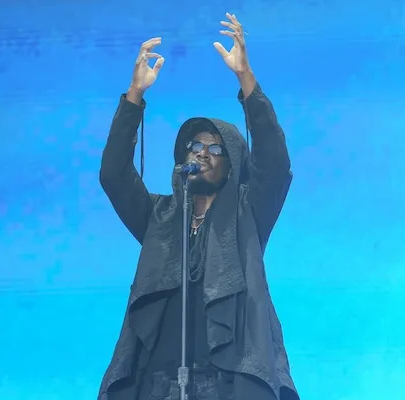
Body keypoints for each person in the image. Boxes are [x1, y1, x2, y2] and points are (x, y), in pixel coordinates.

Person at [98, 13, 300, 400]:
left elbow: (275, 164)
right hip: (157, 383)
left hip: (228, 383)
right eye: (194, 146)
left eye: (215, 149)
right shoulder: (159, 216)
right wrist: (134, 98)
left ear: (233, 164)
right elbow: (113, 175)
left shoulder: (248, 213)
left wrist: (245, 78)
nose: (202, 153)